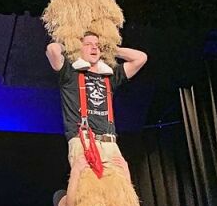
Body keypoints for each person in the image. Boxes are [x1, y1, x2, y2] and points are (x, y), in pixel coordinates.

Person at [47, 34, 147, 170]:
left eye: (97, 45)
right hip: (83, 142)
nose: (94, 47)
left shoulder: (109, 76)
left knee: (119, 190)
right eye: (88, 44)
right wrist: (71, 46)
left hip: (110, 143)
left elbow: (141, 58)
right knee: (89, 189)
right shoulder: (70, 74)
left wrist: (111, 49)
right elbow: (52, 49)